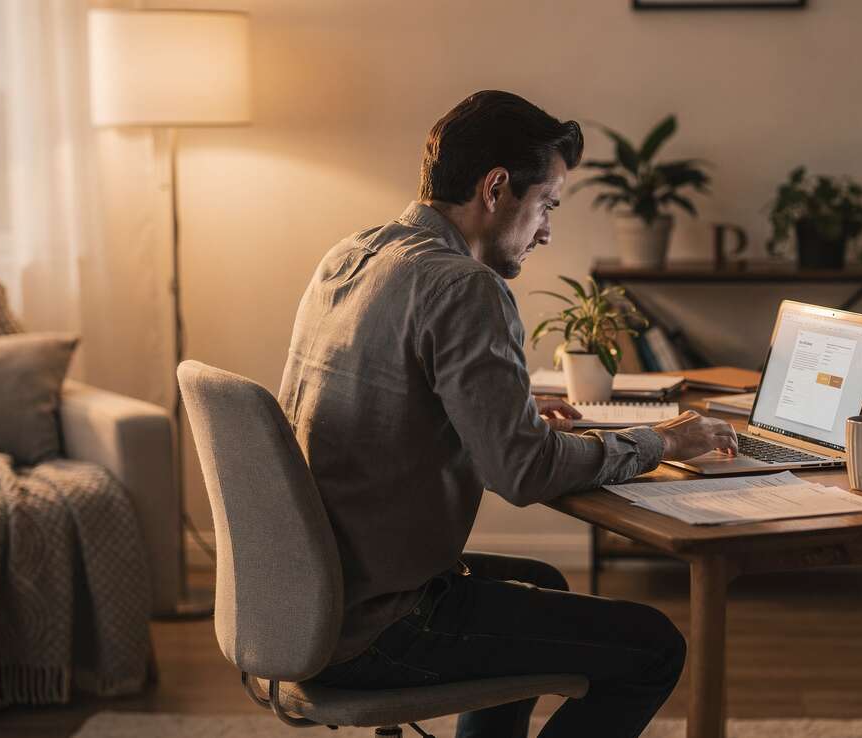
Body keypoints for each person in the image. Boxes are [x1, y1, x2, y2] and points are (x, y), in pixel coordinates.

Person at [278, 90, 737, 738]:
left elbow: (388, 401)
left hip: (307, 603)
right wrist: (662, 441)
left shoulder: (351, 256)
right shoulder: (465, 286)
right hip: (381, 626)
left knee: (542, 580)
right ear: (496, 188)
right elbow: (521, 473)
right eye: (546, 204)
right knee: (654, 647)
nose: (547, 230)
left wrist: (497, 409)